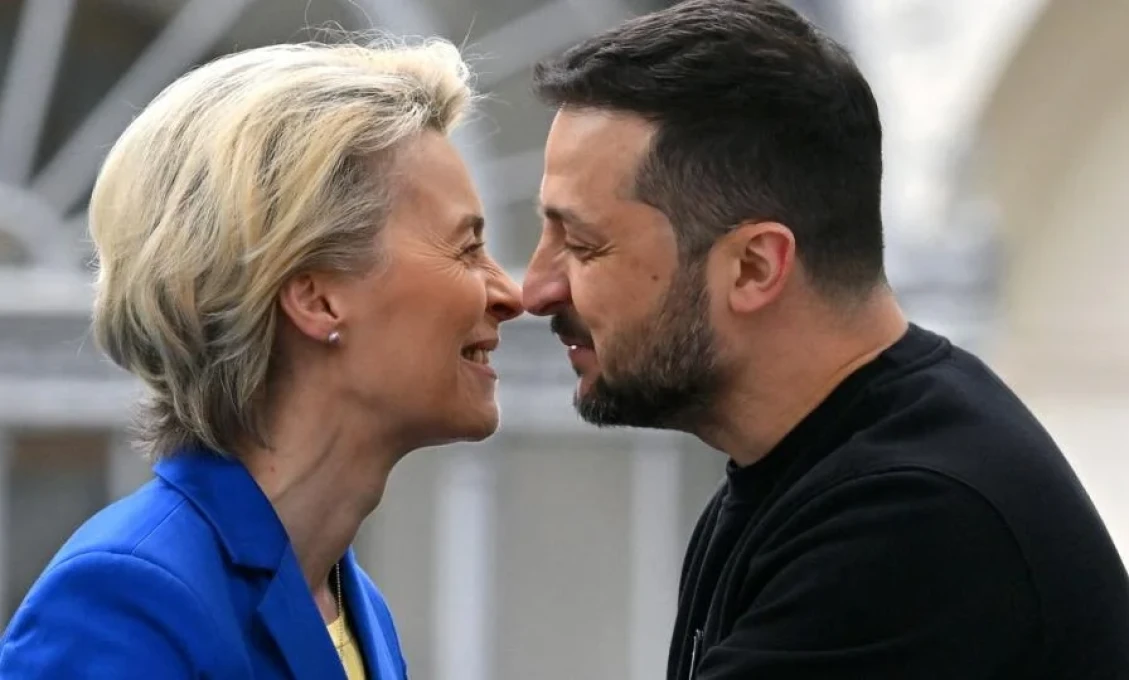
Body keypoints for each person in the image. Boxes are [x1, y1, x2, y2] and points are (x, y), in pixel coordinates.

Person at [524, 1, 1129, 678]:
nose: (535, 289)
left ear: (754, 267)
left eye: (583, 244)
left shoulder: (910, 520)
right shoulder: (808, 470)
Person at [0, 38, 521, 679]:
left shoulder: (353, 607)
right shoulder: (126, 602)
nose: (510, 294)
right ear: (316, 299)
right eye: (466, 249)